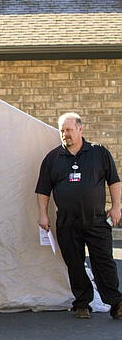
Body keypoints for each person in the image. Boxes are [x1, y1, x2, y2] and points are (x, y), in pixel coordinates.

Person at [36, 112, 122, 320]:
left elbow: (114, 181)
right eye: (62, 131)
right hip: (67, 221)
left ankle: (116, 303)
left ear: (80, 129)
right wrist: (43, 215)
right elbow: (43, 190)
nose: (65, 134)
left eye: (69, 130)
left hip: (96, 220)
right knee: (74, 263)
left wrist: (117, 206)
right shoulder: (52, 158)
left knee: (104, 261)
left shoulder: (99, 153)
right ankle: (82, 303)